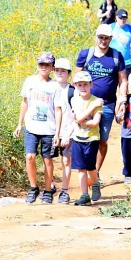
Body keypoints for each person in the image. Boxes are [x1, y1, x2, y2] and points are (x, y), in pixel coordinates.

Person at [75, 24, 128, 196]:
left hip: (107, 105)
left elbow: (123, 80)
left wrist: (123, 99)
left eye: (106, 38)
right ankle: (86, 171)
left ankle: (95, 172)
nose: (103, 41)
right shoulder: (86, 54)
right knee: (85, 138)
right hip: (85, 104)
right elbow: (76, 79)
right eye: (100, 37)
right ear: (96, 37)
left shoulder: (116, 56)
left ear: (110, 39)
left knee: (102, 140)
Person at [14, 52, 63, 204]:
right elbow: (25, 102)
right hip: (31, 127)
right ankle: (33, 187)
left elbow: (58, 110)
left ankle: (48, 190)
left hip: (49, 129)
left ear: (52, 68)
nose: (44, 67)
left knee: (47, 160)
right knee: (30, 157)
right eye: (41, 64)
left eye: (47, 65)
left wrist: (58, 133)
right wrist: (19, 123)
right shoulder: (29, 81)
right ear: (37, 65)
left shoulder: (55, 86)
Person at [54, 58, 86, 204]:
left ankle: (64, 191)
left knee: (66, 161)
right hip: (51, 131)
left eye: (63, 71)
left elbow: (76, 115)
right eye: (57, 70)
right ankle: (50, 187)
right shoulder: (50, 87)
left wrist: (68, 134)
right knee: (48, 161)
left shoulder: (72, 92)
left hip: (69, 132)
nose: (60, 73)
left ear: (68, 74)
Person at [70, 71, 104, 206]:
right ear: (75, 86)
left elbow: (95, 122)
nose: (82, 88)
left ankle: (95, 184)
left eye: (85, 84)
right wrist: (91, 107)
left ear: (91, 84)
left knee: (90, 167)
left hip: (92, 138)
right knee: (80, 168)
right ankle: (84, 195)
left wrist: (81, 120)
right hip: (78, 138)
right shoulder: (75, 100)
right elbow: (78, 118)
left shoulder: (97, 101)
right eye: (79, 85)